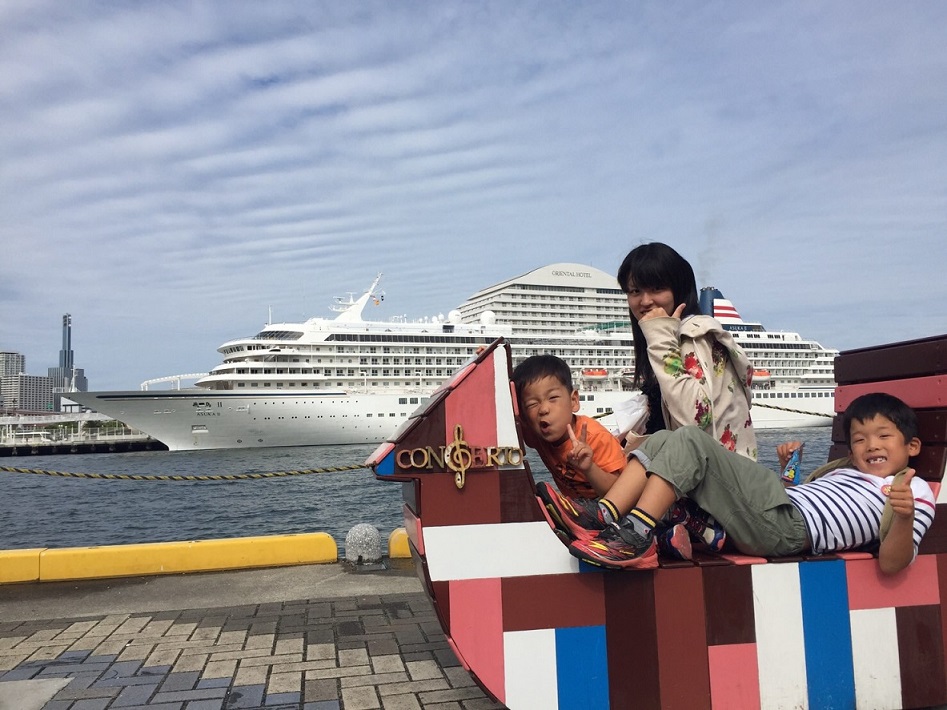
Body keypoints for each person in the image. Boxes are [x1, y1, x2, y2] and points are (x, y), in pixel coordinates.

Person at [565, 392, 935, 575]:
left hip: (790, 528)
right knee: (664, 438)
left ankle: (634, 534)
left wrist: (903, 517)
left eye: (884, 436)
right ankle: (605, 513)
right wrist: (789, 471)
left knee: (691, 440)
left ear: (912, 446)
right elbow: (799, 499)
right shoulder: (843, 473)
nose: (871, 445)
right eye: (860, 439)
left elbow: (893, 563)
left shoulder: (911, 488)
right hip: (781, 515)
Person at [513, 354, 699, 558]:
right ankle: (666, 539)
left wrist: (589, 468)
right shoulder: (538, 435)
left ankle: (664, 533)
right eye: (532, 404)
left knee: (629, 525)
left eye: (553, 398)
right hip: (587, 515)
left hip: (626, 507)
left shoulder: (596, 438)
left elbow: (622, 491)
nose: (543, 409)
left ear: (574, 401)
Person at [618, 242, 757, 460]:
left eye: (657, 288)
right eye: (635, 291)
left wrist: (660, 338)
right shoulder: (672, 335)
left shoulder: (693, 334)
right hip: (697, 465)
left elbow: (695, 422)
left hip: (718, 472)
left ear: (679, 289)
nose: (645, 301)